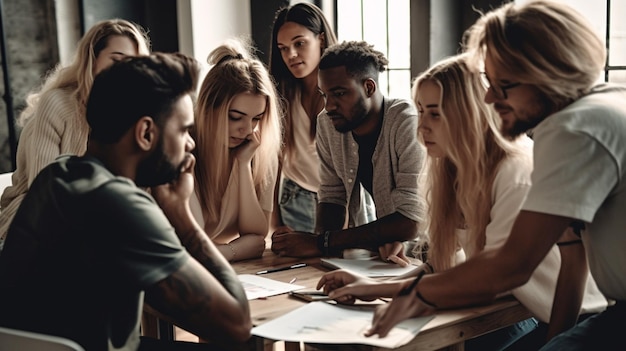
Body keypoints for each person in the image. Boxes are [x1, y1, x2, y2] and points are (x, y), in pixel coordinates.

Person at [324, 1, 626, 349]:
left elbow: (510, 265)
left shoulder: (570, 130)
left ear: (547, 72)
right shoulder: (600, 107)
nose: (488, 96)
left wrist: (417, 294)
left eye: (504, 84)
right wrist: (383, 288)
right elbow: (573, 256)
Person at [0, 53, 252, 351]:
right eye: (183, 129)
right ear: (146, 133)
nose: (190, 143)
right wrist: (181, 216)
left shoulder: (59, 175)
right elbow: (237, 324)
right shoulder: (118, 204)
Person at [0, 19, 151, 252]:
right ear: (93, 60)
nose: (124, 70)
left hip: (102, 217)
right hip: (32, 218)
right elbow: (47, 191)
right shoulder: (58, 105)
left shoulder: (132, 115)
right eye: (116, 59)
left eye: (132, 63)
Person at [271, 41, 424, 260]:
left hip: (432, 252)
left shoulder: (405, 121)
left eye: (340, 94)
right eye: (324, 95)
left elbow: (411, 220)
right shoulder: (327, 123)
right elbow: (332, 195)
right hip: (388, 257)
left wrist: (322, 242)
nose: (329, 106)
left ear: (369, 87)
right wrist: (316, 248)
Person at [190, 38, 282, 262]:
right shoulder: (182, 148)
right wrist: (230, 252)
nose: (246, 129)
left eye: (256, 118)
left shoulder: (257, 150)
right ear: (208, 107)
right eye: (235, 117)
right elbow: (189, 244)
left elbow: (256, 236)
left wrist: (242, 166)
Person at [268, 2, 338, 234]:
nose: (291, 55)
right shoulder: (283, 92)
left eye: (299, 43)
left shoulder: (343, 92)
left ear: (321, 39)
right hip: (295, 199)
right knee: (299, 271)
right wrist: (274, 216)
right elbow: (274, 157)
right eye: (283, 48)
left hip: (342, 202)